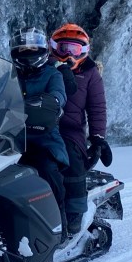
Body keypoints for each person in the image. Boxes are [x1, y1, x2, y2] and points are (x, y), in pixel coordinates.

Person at [49, 23, 112, 236]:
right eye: (63, 48)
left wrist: (97, 138)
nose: (68, 54)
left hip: (69, 130)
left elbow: (97, 107)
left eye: (74, 49)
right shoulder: (44, 67)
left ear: (83, 52)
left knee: (72, 163)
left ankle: (74, 216)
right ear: (53, 47)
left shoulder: (90, 72)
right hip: (37, 126)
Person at [9, 27, 70, 243]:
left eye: (33, 48)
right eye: (22, 48)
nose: (28, 52)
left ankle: (59, 226)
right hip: (9, 141)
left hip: (43, 140)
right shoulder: (9, 75)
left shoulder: (52, 74)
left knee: (46, 171)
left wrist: (49, 103)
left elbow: (59, 96)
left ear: (42, 49)